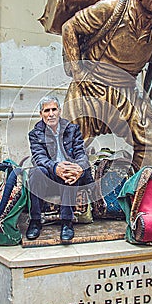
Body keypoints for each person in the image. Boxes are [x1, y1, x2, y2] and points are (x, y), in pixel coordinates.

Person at [62, 0, 152, 170]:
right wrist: (79, 74)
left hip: (127, 88)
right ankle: (70, 196)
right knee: (68, 144)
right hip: (90, 85)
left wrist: (145, 98)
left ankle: (136, 190)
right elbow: (69, 28)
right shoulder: (113, 8)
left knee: (149, 137)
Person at [27, 96, 97, 242]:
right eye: (47, 110)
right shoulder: (35, 134)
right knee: (36, 172)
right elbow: (39, 158)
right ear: (41, 114)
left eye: (54, 109)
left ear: (59, 111)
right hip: (51, 175)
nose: (51, 114)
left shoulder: (72, 129)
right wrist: (56, 167)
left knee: (70, 174)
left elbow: (81, 154)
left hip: (71, 174)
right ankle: (35, 221)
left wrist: (78, 168)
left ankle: (67, 222)